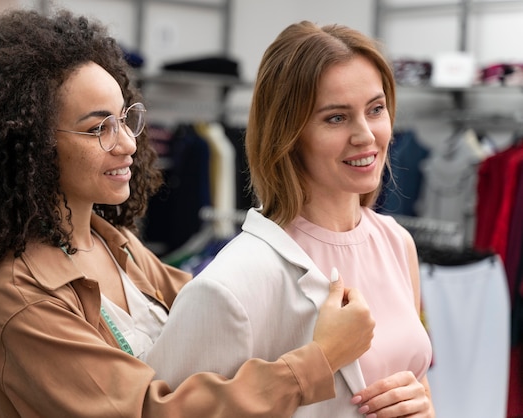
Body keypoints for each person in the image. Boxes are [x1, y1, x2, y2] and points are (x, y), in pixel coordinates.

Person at [0, 9, 376, 417]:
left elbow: (223, 314)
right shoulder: (19, 295)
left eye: (126, 119)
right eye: (99, 129)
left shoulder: (117, 245)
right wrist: (321, 357)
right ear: (30, 146)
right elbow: (150, 411)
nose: (128, 144)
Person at [147, 21, 435, 417]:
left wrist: (424, 403)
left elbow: (416, 380)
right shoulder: (231, 284)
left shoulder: (397, 243)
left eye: (376, 109)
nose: (366, 135)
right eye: (336, 118)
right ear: (288, 133)